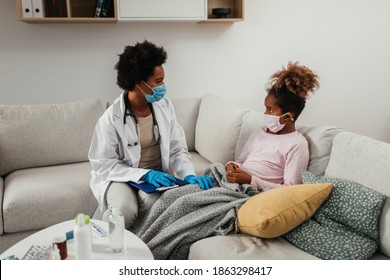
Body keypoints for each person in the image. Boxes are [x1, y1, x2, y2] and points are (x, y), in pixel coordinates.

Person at [88, 40, 213, 228]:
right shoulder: (111, 118)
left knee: (160, 207)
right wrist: (144, 174)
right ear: (139, 83)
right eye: (158, 81)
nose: (163, 86)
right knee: (122, 212)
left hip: (158, 177)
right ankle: (107, 251)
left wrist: (188, 175)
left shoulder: (164, 107)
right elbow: (103, 165)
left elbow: (177, 150)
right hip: (123, 176)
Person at [223, 61, 320, 191]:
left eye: (270, 110)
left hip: (249, 190)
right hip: (231, 183)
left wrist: (250, 180)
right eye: (265, 108)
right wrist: (231, 166)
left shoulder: (297, 144)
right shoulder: (259, 133)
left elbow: (289, 189)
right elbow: (240, 162)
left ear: (288, 116)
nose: (265, 114)